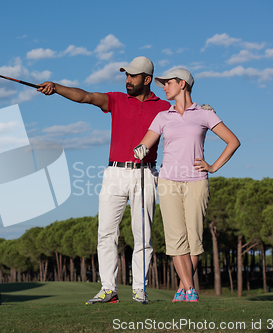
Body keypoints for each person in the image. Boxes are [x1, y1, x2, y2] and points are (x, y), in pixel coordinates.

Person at [38, 57, 170, 303]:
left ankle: (139, 290)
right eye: (126, 75)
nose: (127, 80)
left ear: (147, 79)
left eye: (132, 76)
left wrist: (203, 109)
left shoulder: (163, 107)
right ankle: (109, 289)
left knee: (143, 234)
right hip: (114, 173)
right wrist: (56, 87)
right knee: (106, 232)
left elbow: (186, 118)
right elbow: (85, 96)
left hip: (145, 173)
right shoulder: (117, 99)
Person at [134, 68, 240, 302]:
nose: (164, 87)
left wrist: (213, 167)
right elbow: (146, 142)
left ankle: (184, 288)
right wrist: (139, 149)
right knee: (175, 238)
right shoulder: (163, 116)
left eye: (168, 83)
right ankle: (190, 290)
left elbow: (233, 141)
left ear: (182, 84)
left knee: (194, 239)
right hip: (168, 181)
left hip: (196, 183)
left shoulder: (204, 114)